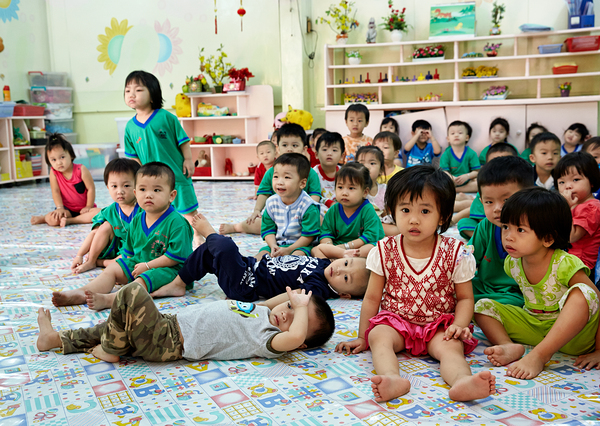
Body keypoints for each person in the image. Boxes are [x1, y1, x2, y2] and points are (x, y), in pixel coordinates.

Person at [336, 166, 495, 402]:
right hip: (396, 323)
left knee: (451, 348)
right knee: (378, 336)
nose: (413, 219)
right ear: (392, 212)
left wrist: (459, 325)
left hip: (438, 326)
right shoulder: (383, 250)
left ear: (442, 216)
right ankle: (392, 378)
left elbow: (465, 298)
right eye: (405, 209)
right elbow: (371, 298)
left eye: (425, 211)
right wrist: (362, 336)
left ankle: (463, 381)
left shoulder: (455, 253)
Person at [475, 188, 600, 379]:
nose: (508, 236)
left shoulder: (565, 264)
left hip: (573, 337)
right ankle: (508, 345)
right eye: (505, 227)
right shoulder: (513, 263)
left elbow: (596, 302)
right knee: (482, 306)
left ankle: (540, 355)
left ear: (548, 238)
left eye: (521, 230)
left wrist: (599, 349)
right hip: (534, 325)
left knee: (583, 293)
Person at [38, 284, 335, 362]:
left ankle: (110, 350)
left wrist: (300, 310)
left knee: (130, 294)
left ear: (302, 339)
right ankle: (54, 339)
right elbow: (276, 304)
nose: (286, 315)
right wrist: (295, 300)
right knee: (113, 324)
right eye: (288, 308)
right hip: (168, 324)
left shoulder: (270, 340)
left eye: (295, 321)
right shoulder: (263, 313)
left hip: (170, 342)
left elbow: (294, 338)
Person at [51, 162, 193, 311]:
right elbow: (129, 254)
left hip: (171, 270)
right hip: (141, 264)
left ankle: (112, 300)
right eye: (142, 189)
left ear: (172, 195)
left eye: (157, 190)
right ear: (136, 193)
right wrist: (122, 270)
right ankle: (82, 292)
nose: (148, 194)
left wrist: (148, 266)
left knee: (144, 279)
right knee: (113, 268)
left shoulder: (177, 223)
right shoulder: (138, 219)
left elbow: (175, 258)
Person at [153, 213, 369, 300]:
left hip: (247, 286)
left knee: (225, 246)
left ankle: (208, 232)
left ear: (344, 295)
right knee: (208, 253)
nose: (340, 269)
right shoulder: (325, 264)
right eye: (346, 264)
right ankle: (179, 283)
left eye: (346, 278)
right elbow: (318, 249)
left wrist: (263, 307)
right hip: (251, 267)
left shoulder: (320, 287)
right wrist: (342, 252)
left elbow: (292, 298)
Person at [122, 71, 201, 245]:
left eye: (138, 90)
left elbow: (183, 141)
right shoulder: (129, 127)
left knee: (188, 210)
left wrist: (188, 160)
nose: (132, 94)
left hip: (177, 174)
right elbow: (133, 157)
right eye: (128, 91)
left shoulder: (166, 117)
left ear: (152, 95)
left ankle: (198, 236)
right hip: (152, 179)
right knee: (156, 210)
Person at [220, 123, 321, 236]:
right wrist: (257, 210)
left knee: (321, 222)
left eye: (295, 145)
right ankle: (236, 227)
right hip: (277, 216)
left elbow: (315, 196)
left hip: (302, 215)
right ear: (277, 148)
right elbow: (264, 193)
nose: (289, 149)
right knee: (259, 224)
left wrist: (308, 212)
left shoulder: (310, 173)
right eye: (285, 145)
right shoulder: (271, 172)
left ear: (304, 148)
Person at [470, 156, 535, 306]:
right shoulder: (485, 226)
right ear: (481, 202)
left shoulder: (535, 229)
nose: (498, 208)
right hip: (482, 287)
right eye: (489, 202)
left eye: (506, 200)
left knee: (508, 305)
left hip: (517, 293)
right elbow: (469, 260)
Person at [71, 158, 141, 274]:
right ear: (107, 187)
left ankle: (100, 262)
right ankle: (91, 260)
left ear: (137, 186)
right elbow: (94, 234)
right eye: (114, 186)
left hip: (133, 250)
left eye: (126, 186)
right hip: (114, 247)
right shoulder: (110, 211)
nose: (120, 191)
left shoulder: (143, 209)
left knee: (128, 260)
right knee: (104, 226)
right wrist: (79, 255)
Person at [312, 163, 384, 259]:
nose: (344, 193)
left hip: (360, 247)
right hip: (338, 246)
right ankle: (332, 262)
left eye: (351, 188)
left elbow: (370, 236)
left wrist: (346, 247)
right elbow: (326, 233)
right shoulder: (334, 209)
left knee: (371, 249)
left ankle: (341, 259)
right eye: (340, 187)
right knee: (315, 249)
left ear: (365, 192)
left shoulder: (367, 209)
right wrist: (330, 248)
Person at [256, 154, 321, 259]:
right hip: (277, 244)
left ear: (302, 183)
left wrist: (289, 250)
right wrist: (273, 245)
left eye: (287, 177)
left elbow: (308, 236)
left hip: (301, 245)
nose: (279, 182)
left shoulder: (308, 206)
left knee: (297, 258)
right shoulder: (271, 203)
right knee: (261, 256)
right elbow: (268, 229)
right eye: (276, 176)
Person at [31, 133, 101, 227]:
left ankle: (71, 221)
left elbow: (91, 188)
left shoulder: (81, 169)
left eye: (62, 157)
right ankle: (44, 218)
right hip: (66, 209)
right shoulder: (54, 172)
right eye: (53, 160)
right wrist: (60, 208)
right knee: (53, 220)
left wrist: (88, 206)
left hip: (85, 209)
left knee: (99, 214)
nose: (59, 162)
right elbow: (55, 191)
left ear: (71, 155)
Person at [456, 143, 518, 239]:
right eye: (494, 163)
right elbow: (481, 218)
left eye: (506, 162)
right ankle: (487, 239)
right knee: (464, 223)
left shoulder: (519, 186)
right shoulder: (486, 188)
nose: (500, 168)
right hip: (490, 223)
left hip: (515, 227)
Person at [555, 152, 600, 272]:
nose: (568, 186)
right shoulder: (574, 205)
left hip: (581, 264)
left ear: (591, 182)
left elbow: (571, 237)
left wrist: (566, 207)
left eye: (575, 179)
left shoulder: (591, 207)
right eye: (562, 182)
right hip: (569, 259)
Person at [356, 145, 398, 237]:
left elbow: (388, 214)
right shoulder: (354, 190)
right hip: (360, 226)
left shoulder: (385, 189)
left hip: (381, 225)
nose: (366, 167)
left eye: (372, 163)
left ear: (381, 169)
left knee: (398, 230)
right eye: (361, 163)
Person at [440, 120, 480, 193]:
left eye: (460, 133)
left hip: (467, 181)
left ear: (467, 137)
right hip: (451, 181)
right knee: (438, 182)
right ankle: (455, 189)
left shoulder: (471, 153)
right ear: (448, 139)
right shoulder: (446, 154)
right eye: (452, 133)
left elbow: (477, 171)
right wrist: (453, 178)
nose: (456, 135)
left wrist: (467, 176)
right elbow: (444, 172)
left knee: (479, 184)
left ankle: (456, 190)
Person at [313, 132, 345, 215]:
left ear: (342, 156)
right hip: (322, 210)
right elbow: (311, 195)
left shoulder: (344, 173)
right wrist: (330, 203)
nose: (329, 153)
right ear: (316, 154)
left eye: (334, 150)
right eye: (324, 149)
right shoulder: (313, 173)